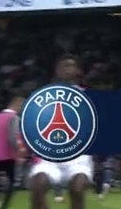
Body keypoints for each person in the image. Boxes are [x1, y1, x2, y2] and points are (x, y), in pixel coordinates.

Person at [29, 57, 92, 209]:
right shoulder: (44, 95)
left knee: (77, 189)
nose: (67, 69)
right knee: (38, 185)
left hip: (77, 155)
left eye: (71, 65)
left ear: (78, 70)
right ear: (56, 70)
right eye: (63, 66)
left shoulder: (87, 95)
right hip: (50, 154)